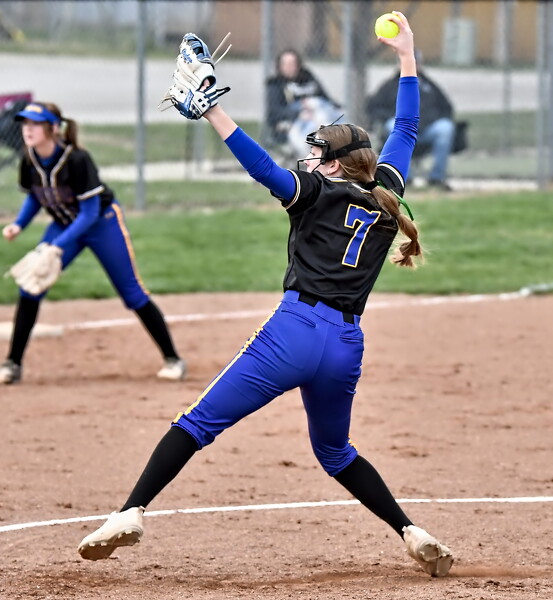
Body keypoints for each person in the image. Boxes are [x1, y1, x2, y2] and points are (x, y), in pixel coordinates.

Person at [78, 14, 454, 577]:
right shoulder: (387, 193)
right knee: (335, 452)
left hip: (293, 334)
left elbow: (260, 167)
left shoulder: (315, 191)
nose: (308, 158)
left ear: (333, 164)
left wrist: (213, 110)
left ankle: (129, 512)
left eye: (317, 153)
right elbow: (407, 126)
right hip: (345, 345)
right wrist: (407, 56)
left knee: (195, 424)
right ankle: (410, 530)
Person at [0, 102, 186, 385]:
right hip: (64, 224)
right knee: (31, 286)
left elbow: (89, 213)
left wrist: (57, 245)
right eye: (25, 123)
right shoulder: (29, 159)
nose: (28, 129)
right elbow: (36, 195)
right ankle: (12, 365)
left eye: (36, 124)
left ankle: (173, 359)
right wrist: (19, 224)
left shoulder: (77, 159)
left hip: (102, 224)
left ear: (54, 128)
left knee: (132, 293)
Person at [366, 50, 456, 191]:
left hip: (427, 129)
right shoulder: (390, 86)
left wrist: (431, 119)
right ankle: (406, 177)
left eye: (415, 62)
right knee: (391, 125)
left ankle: (437, 178)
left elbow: (446, 107)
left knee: (445, 128)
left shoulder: (429, 85)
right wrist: (389, 118)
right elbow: (374, 107)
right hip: (402, 131)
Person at [265, 48, 341, 161]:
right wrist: (298, 113)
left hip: (319, 115)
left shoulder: (307, 78)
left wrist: (337, 108)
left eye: (293, 63)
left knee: (332, 117)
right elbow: (274, 112)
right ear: (279, 66)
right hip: (295, 122)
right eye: (286, 64)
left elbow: (324, 98)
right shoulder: (276, 84)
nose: (290, 67)